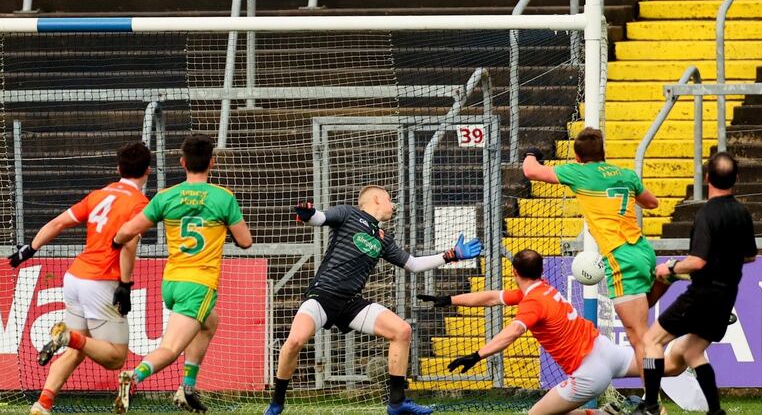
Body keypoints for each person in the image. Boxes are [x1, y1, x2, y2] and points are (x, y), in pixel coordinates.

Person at [263, 185, 483, 415]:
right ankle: (276, 404)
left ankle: (397, 403)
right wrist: (308, 214)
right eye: (390, 200)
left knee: (402, 331)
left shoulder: (384, 239)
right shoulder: (349, 214)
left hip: (351, 302)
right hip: (323, 295)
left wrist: (450, 255)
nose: (393, 206)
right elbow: (319, 218)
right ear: (377, 199)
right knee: (296, 341)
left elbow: (414, 265)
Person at [5, 141, 152, 415]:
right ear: (148, 171)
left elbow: (58, 223)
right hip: (101, 281)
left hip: (75, 277)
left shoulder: (99, 195)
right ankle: (68, 337)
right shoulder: (139, 204)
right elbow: (128, 245)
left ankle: (43, 403)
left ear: (118, 168)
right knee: (116, 358)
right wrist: (125, 284)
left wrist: (30, 249)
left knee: (77, 349)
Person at [111, 133, 253, 414]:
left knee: (210, 323)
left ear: (182, 162)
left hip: (172, 282)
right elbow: (245, 241)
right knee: (170, 349)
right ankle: (133, 377)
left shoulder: (166, 196)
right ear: (212, 162)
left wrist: (114, 244)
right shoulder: (222, 197)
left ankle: (186, 390)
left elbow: (126, 232)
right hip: (198, 284)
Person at [423, 249, 639, 415]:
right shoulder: (542, 289)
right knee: (662, 365)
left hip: (589, 373)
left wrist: (478, 355)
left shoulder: (533, 302)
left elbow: (512, 332)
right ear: (541, 271)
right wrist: (450, 300)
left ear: (514, 271)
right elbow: (491, 298)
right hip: (603, 349)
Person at [522, 127, 663, 380]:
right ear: (603, 152)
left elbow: (530, 170)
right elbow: (652, 203)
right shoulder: (626, 174)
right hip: (643, 251)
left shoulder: (578, 172)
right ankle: (666, 276)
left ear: (577, 156)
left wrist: (532, 153)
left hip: (620, 257)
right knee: (641, 312)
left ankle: (653, 405)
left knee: (639, 336)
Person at [632, 152, 757, 415]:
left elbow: (697, 261)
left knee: (652, 339)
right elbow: (750, 255)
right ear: (737, 178)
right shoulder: (742, 213)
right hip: (726, 297)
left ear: (707, 178)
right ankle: (715, 411)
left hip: (701, 294)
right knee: (693, 351)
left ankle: (651, 405)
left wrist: (671, 268)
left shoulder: (706, 214)